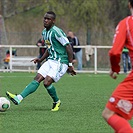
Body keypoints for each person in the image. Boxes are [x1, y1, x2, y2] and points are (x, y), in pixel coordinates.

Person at [6, 11, 76, 111]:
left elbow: (68, 46)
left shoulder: (57, 32)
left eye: (48, 19)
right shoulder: (44, 32)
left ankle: (57, 101)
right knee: (37, 78)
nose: (45, 20)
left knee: (46, 83)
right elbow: (49, 48)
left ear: (53, 21)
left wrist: (69, 64)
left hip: (60, 62)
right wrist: (40, 59)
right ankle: (18, 98)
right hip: (51, 60)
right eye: (45, 18)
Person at [102, 0, 133, 132]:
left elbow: (115, 52)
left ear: (129, 4)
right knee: (120, 114)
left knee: (109, 114)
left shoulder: (126, 23)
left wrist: (115, 69)